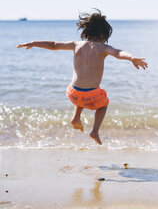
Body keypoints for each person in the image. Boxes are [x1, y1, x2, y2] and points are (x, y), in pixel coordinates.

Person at [17, 9, 148, 145]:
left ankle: (76, 117)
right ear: (104, 34)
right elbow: (119, 52)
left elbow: (53, 45)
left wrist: (33, 43)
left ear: (85, 32)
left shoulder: (76, 44)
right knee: (103, 104)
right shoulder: (104, 48)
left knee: (81, 96)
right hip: (91, 94)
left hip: (72, 92)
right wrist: (131, 57)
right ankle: (95, 131)